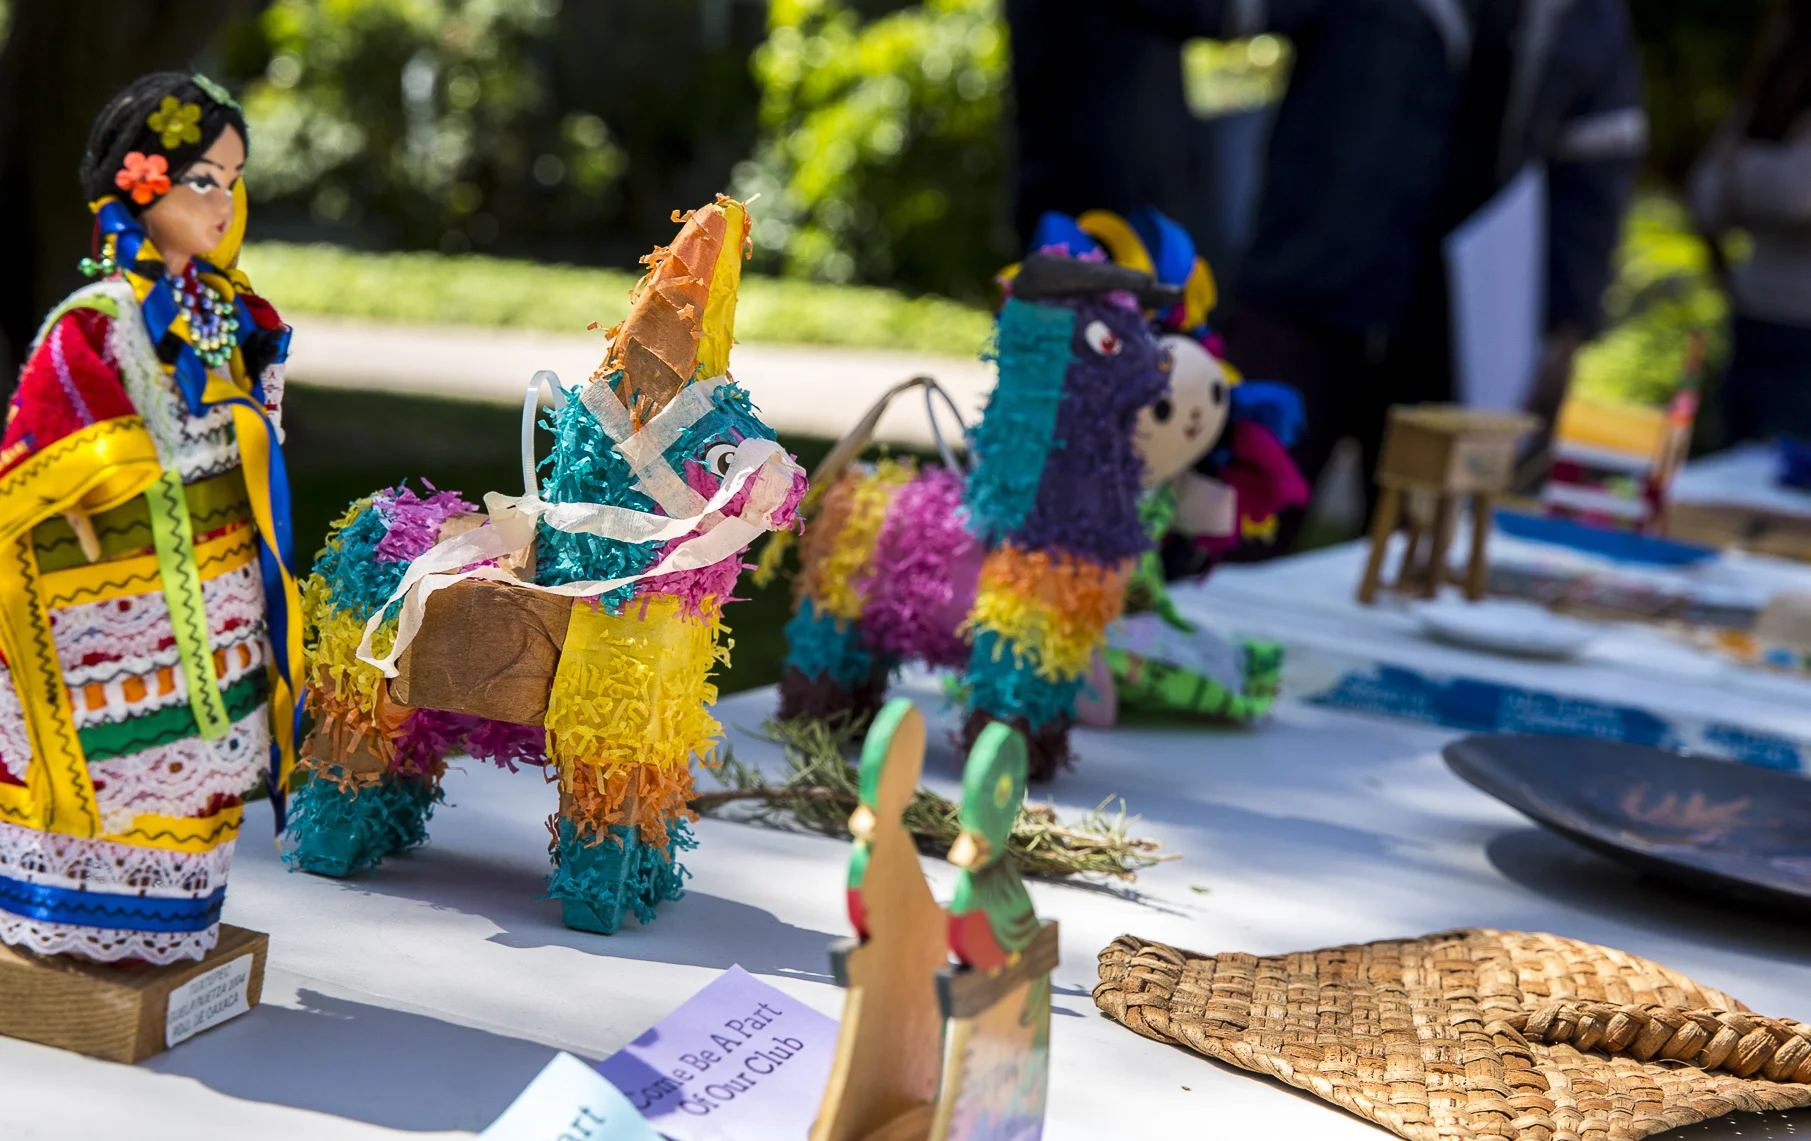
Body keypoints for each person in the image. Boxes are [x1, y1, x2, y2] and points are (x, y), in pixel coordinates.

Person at [1034, 1, 1644, 539]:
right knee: (1221, 528)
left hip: (1456, 340)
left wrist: (1567, 325)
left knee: (1424, 566)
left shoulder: (1581, 13)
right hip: (1305, 300)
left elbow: (1594, 170)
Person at [0, 73, 301, 963]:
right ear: (140, 182)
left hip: (216, 599)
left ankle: (174, 926)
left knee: (196, 768)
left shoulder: (227, 312)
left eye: (232, 179)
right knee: (119, 764)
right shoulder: (96, 323)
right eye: (203, 177)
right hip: (114, 615)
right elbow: (39, 458)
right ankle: (76, 933)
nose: (222, 200)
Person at [1690, 1, 1811, 444]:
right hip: (1752, 318)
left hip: (1804, 336)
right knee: (1735, 479)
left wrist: (1738, 169)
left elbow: (1798, 194)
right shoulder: (1774, 89)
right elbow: (1702, 193)